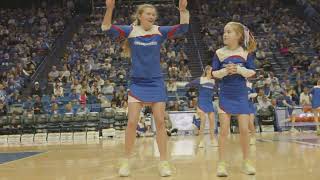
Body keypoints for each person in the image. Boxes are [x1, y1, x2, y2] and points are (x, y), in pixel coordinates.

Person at [101, 0, 189, 177]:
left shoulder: (159, 31)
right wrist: (110, 8)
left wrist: (183, 10)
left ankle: (164, 162)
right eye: (148, 14)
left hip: (156, 83)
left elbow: (183, 28)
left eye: (153, 14)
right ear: (140, 16)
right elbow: (106, 28)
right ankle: (125, 161)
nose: (151, 16)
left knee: (160, 122)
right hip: (137, 83)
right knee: (132, 122)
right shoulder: (131, 31)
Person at [212, 22, 257, 176]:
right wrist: (225, 71)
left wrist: (238, 69)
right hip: (225, 95)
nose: (225, 34)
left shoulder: (246, 53)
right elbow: (213, 73)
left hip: (241, 96)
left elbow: (252, 72)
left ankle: (246, 162)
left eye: (229, 32)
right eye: (224, 31)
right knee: (224, 131)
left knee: (244, 130)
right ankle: (221, 164)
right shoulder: (219, 53)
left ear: (238, 36)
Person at [186, 65, 217, 148]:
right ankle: (201, 141)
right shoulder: (200, 79)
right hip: (201, 103)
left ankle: (213, 140)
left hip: (209, 103)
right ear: (207, 71)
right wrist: (194, 93)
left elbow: (214, 91)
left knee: (212, 123)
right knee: (202, 122)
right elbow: (189, 84)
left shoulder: (213, 81)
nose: (212, 71)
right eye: (211, 70)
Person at [247, 80, 257, 145]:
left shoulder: (250, 84)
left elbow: (255, 94)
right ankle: (247, 138)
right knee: (244, 124)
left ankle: (253, 137)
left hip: (250, 105)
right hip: (241, 105)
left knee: (250, 122)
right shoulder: (238, 84)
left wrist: (250, 95)